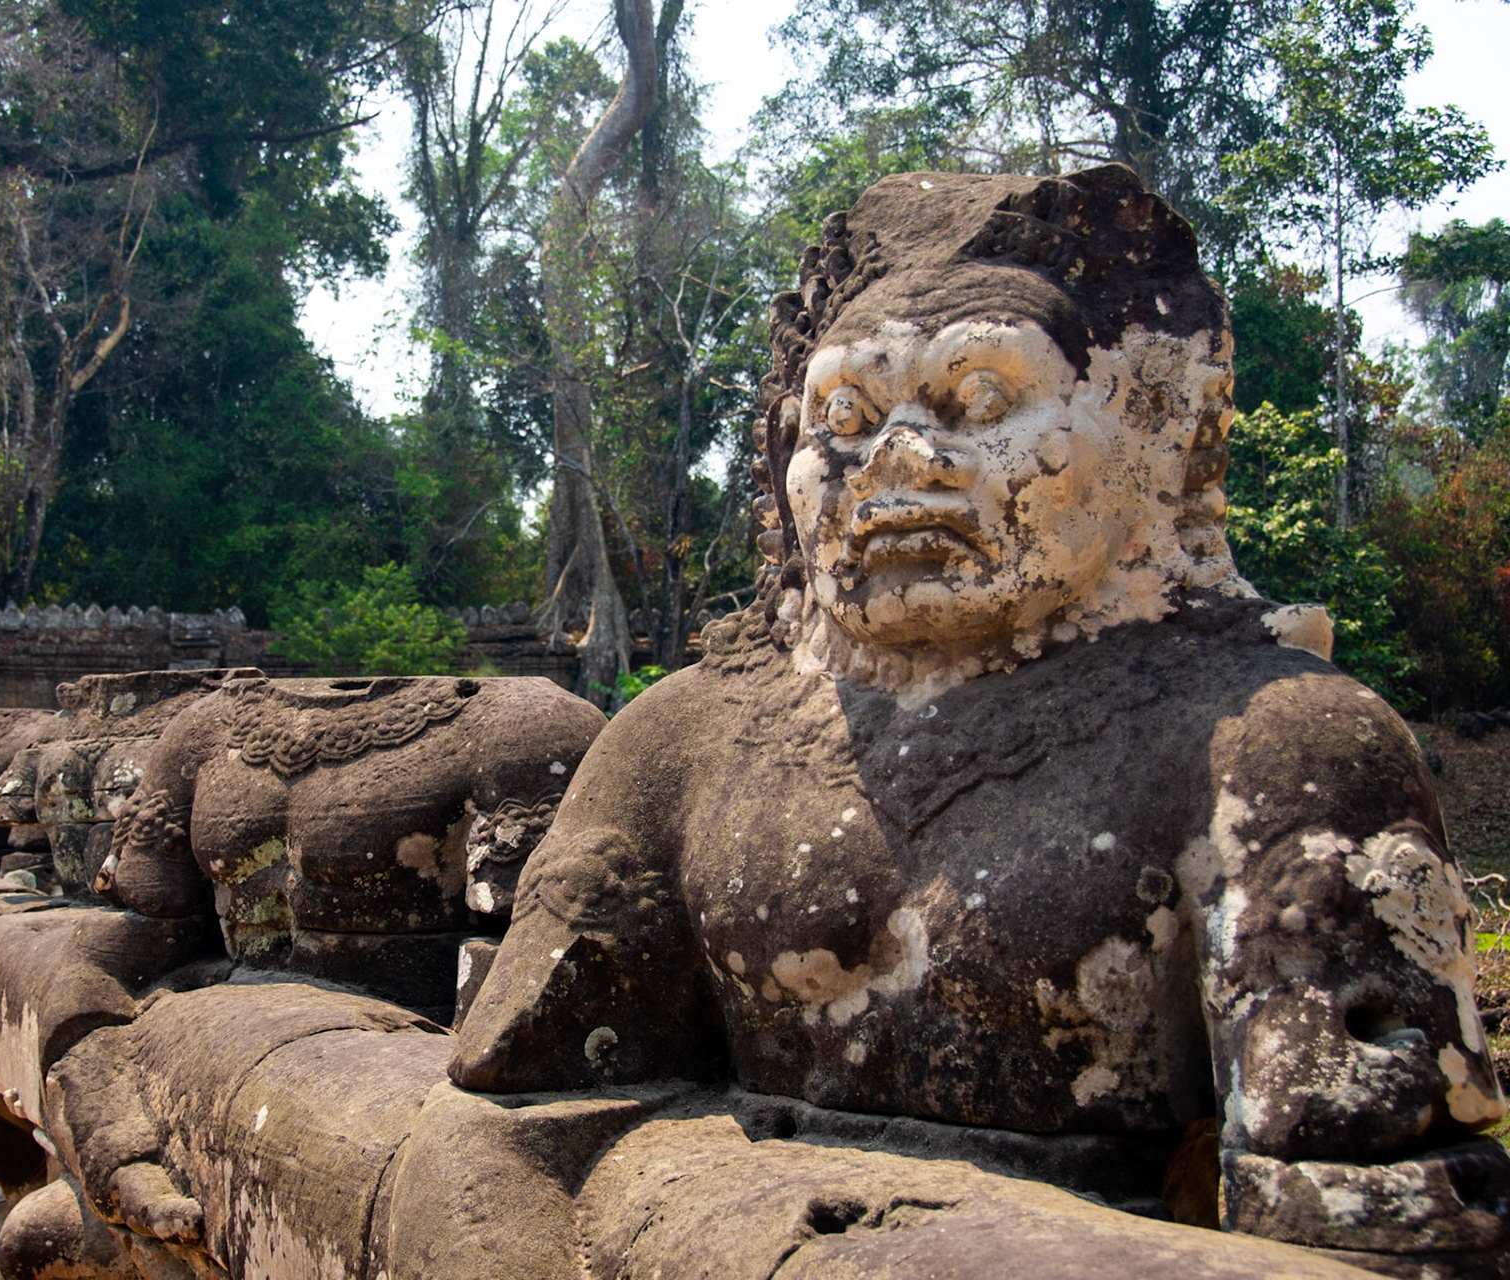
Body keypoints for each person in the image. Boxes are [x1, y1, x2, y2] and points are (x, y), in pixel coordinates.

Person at [453, 165, 1507, 1261]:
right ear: (783, 453)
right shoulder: (677, 743)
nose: (898, 461)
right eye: (846, 417)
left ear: (1153, 423)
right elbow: (514, 1124)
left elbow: (1383, 1229)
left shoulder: (1276, 751)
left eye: (984, 400)